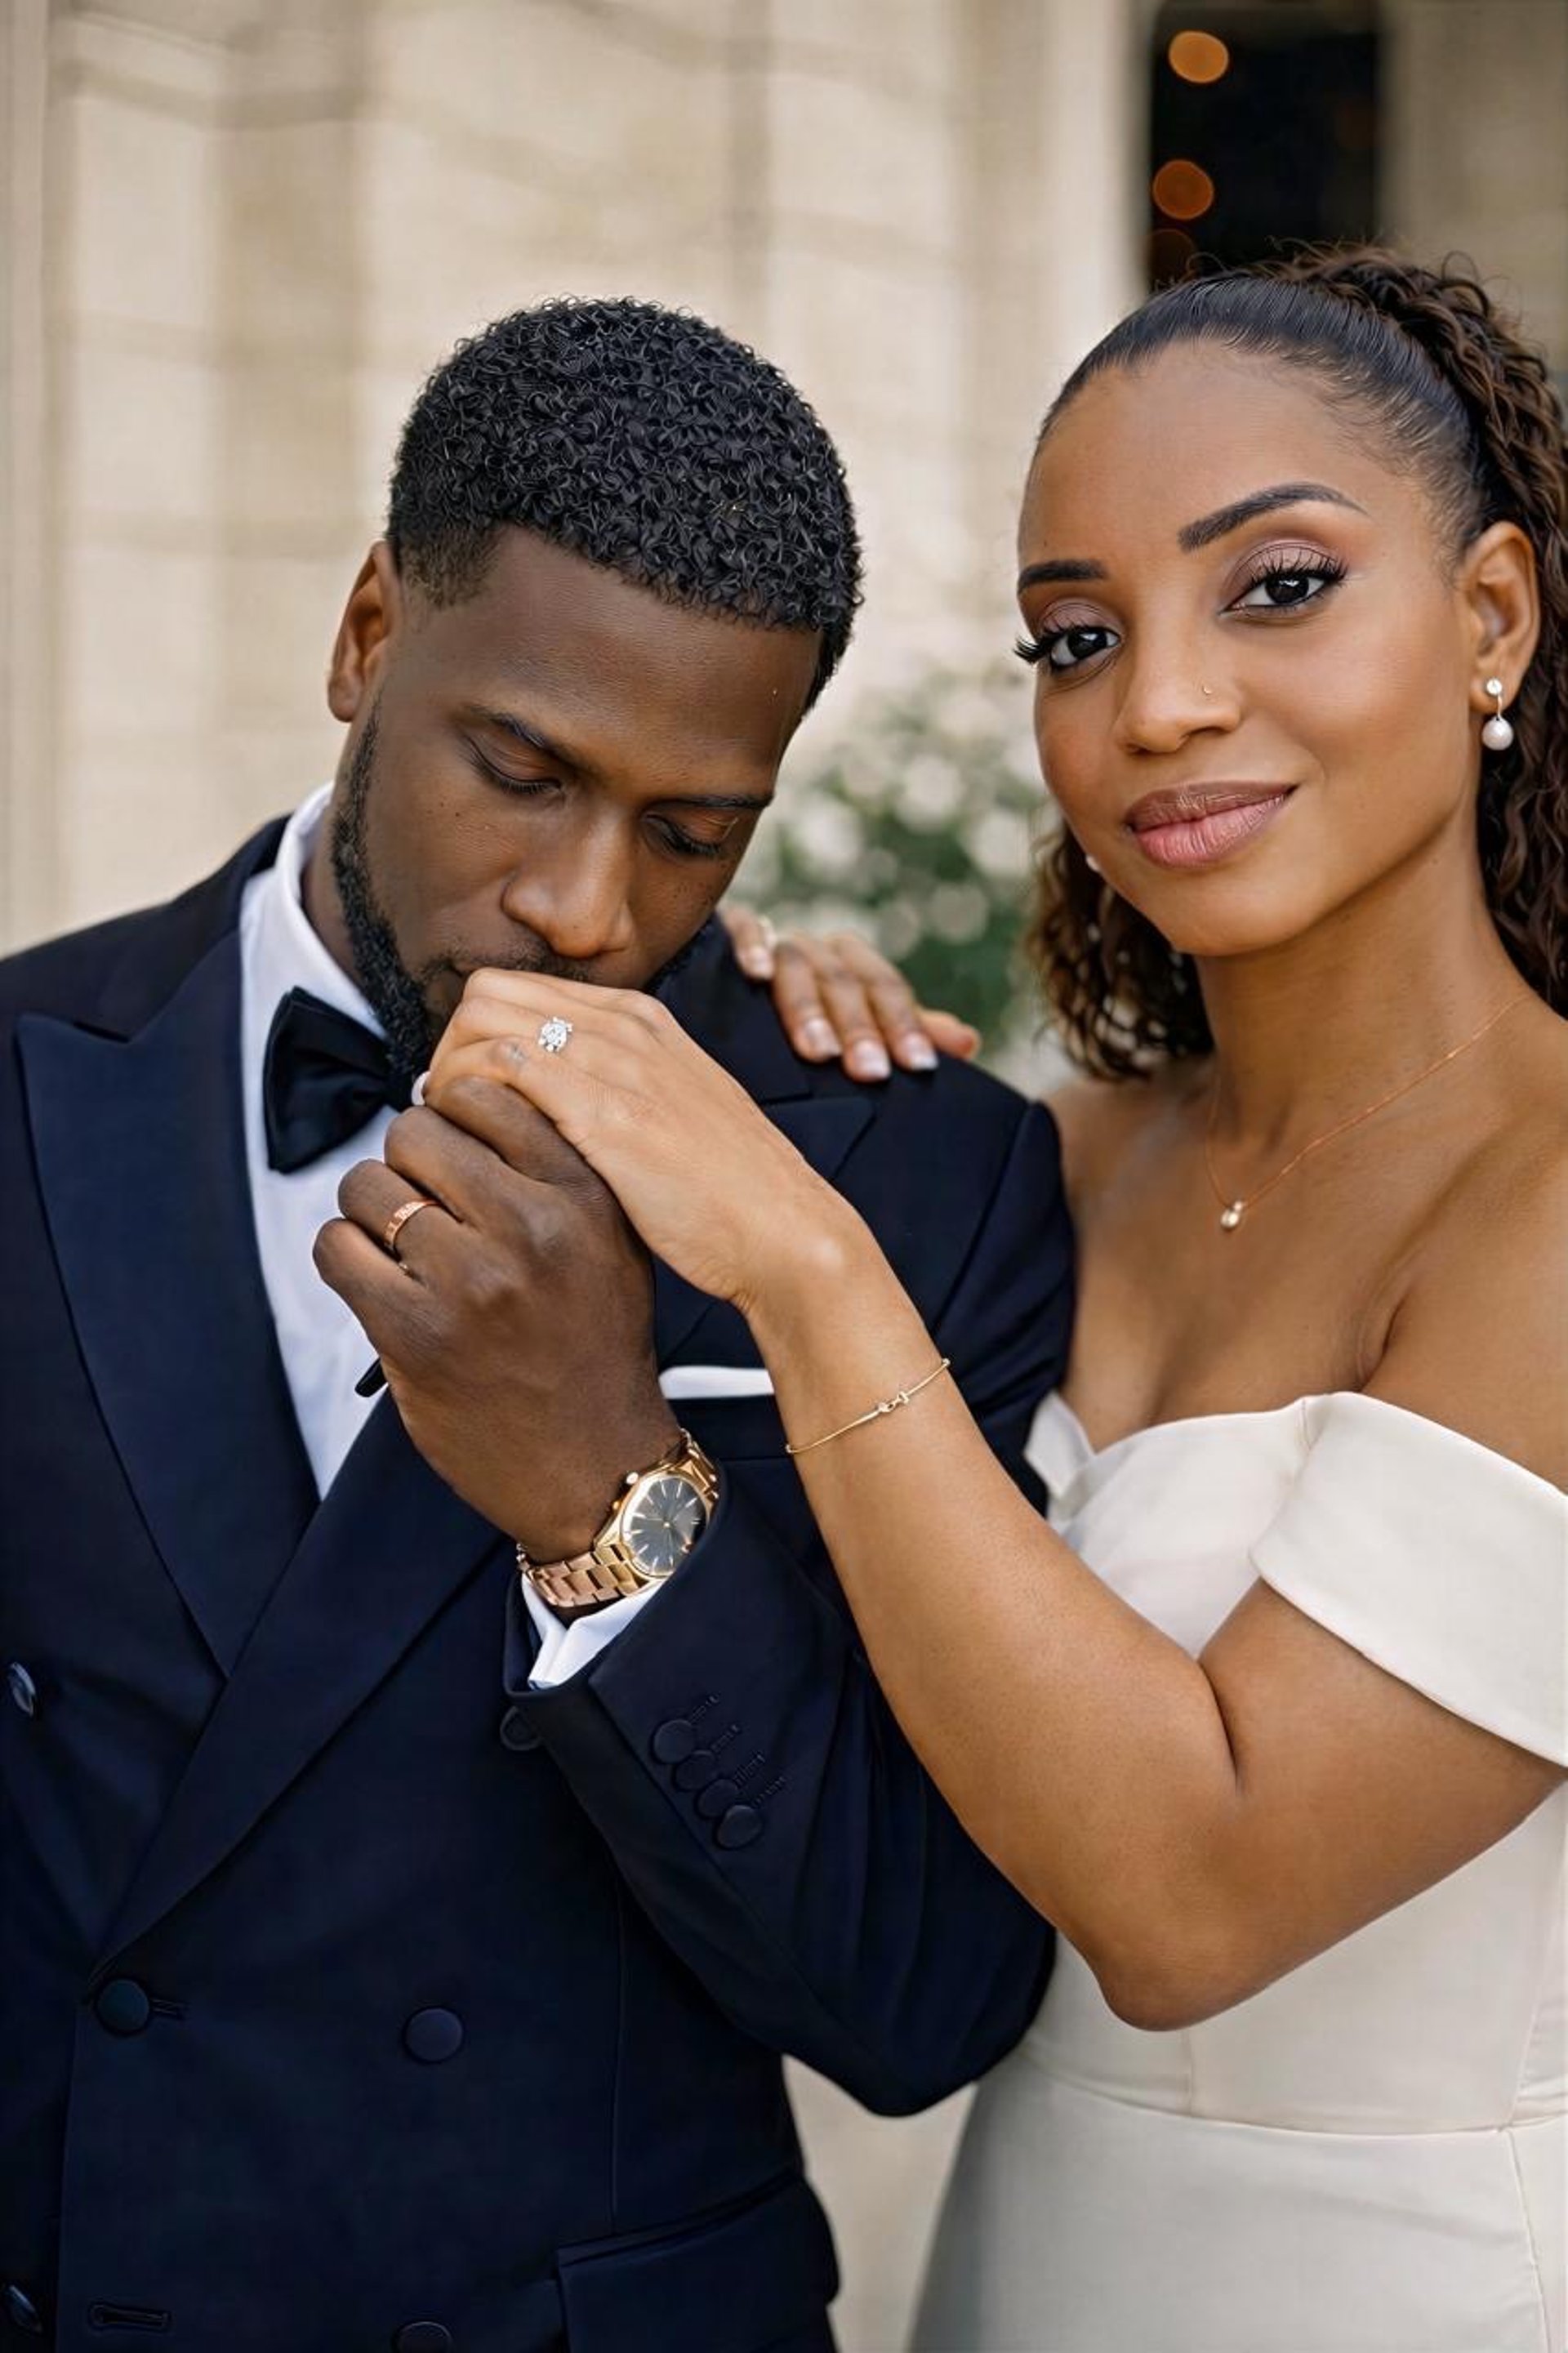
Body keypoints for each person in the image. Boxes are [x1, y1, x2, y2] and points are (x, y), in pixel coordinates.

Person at [400, 252, 1568, 2353]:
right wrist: (792, 1034)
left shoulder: (1554, 1194)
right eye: (1077, 636)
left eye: (1277, 586)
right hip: (1024, 2267)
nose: (1160, 705)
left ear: (1492, 615)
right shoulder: (1058, 1158)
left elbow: (1189, 1893)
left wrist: (810, 1251)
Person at [0, 298, 1074, 2352]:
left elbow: (921, 2002)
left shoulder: (912, 1181)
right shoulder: (19, 1071)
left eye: (694, 832)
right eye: (523, 770)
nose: (589, 908)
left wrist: (609, 1486)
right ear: (365, 636)